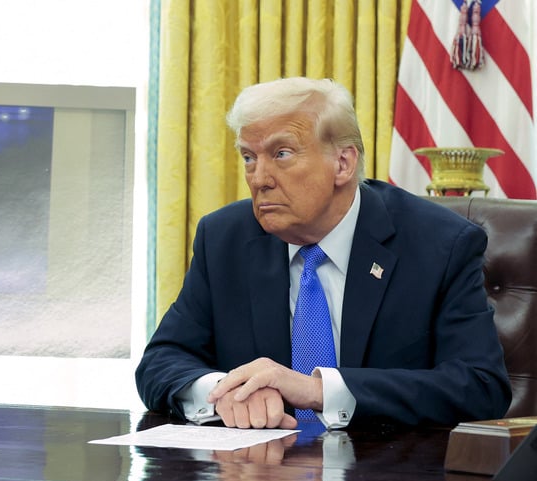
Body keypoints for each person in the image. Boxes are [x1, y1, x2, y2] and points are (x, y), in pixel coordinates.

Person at [135, 77, 511, 431]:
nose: (259, 178)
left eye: (281, 154)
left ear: (343, 163)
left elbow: (481, 388)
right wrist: (225, 391)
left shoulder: (439, 244)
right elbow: (161, 361)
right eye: (249, 157)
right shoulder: (224, 238)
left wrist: (318, 390)